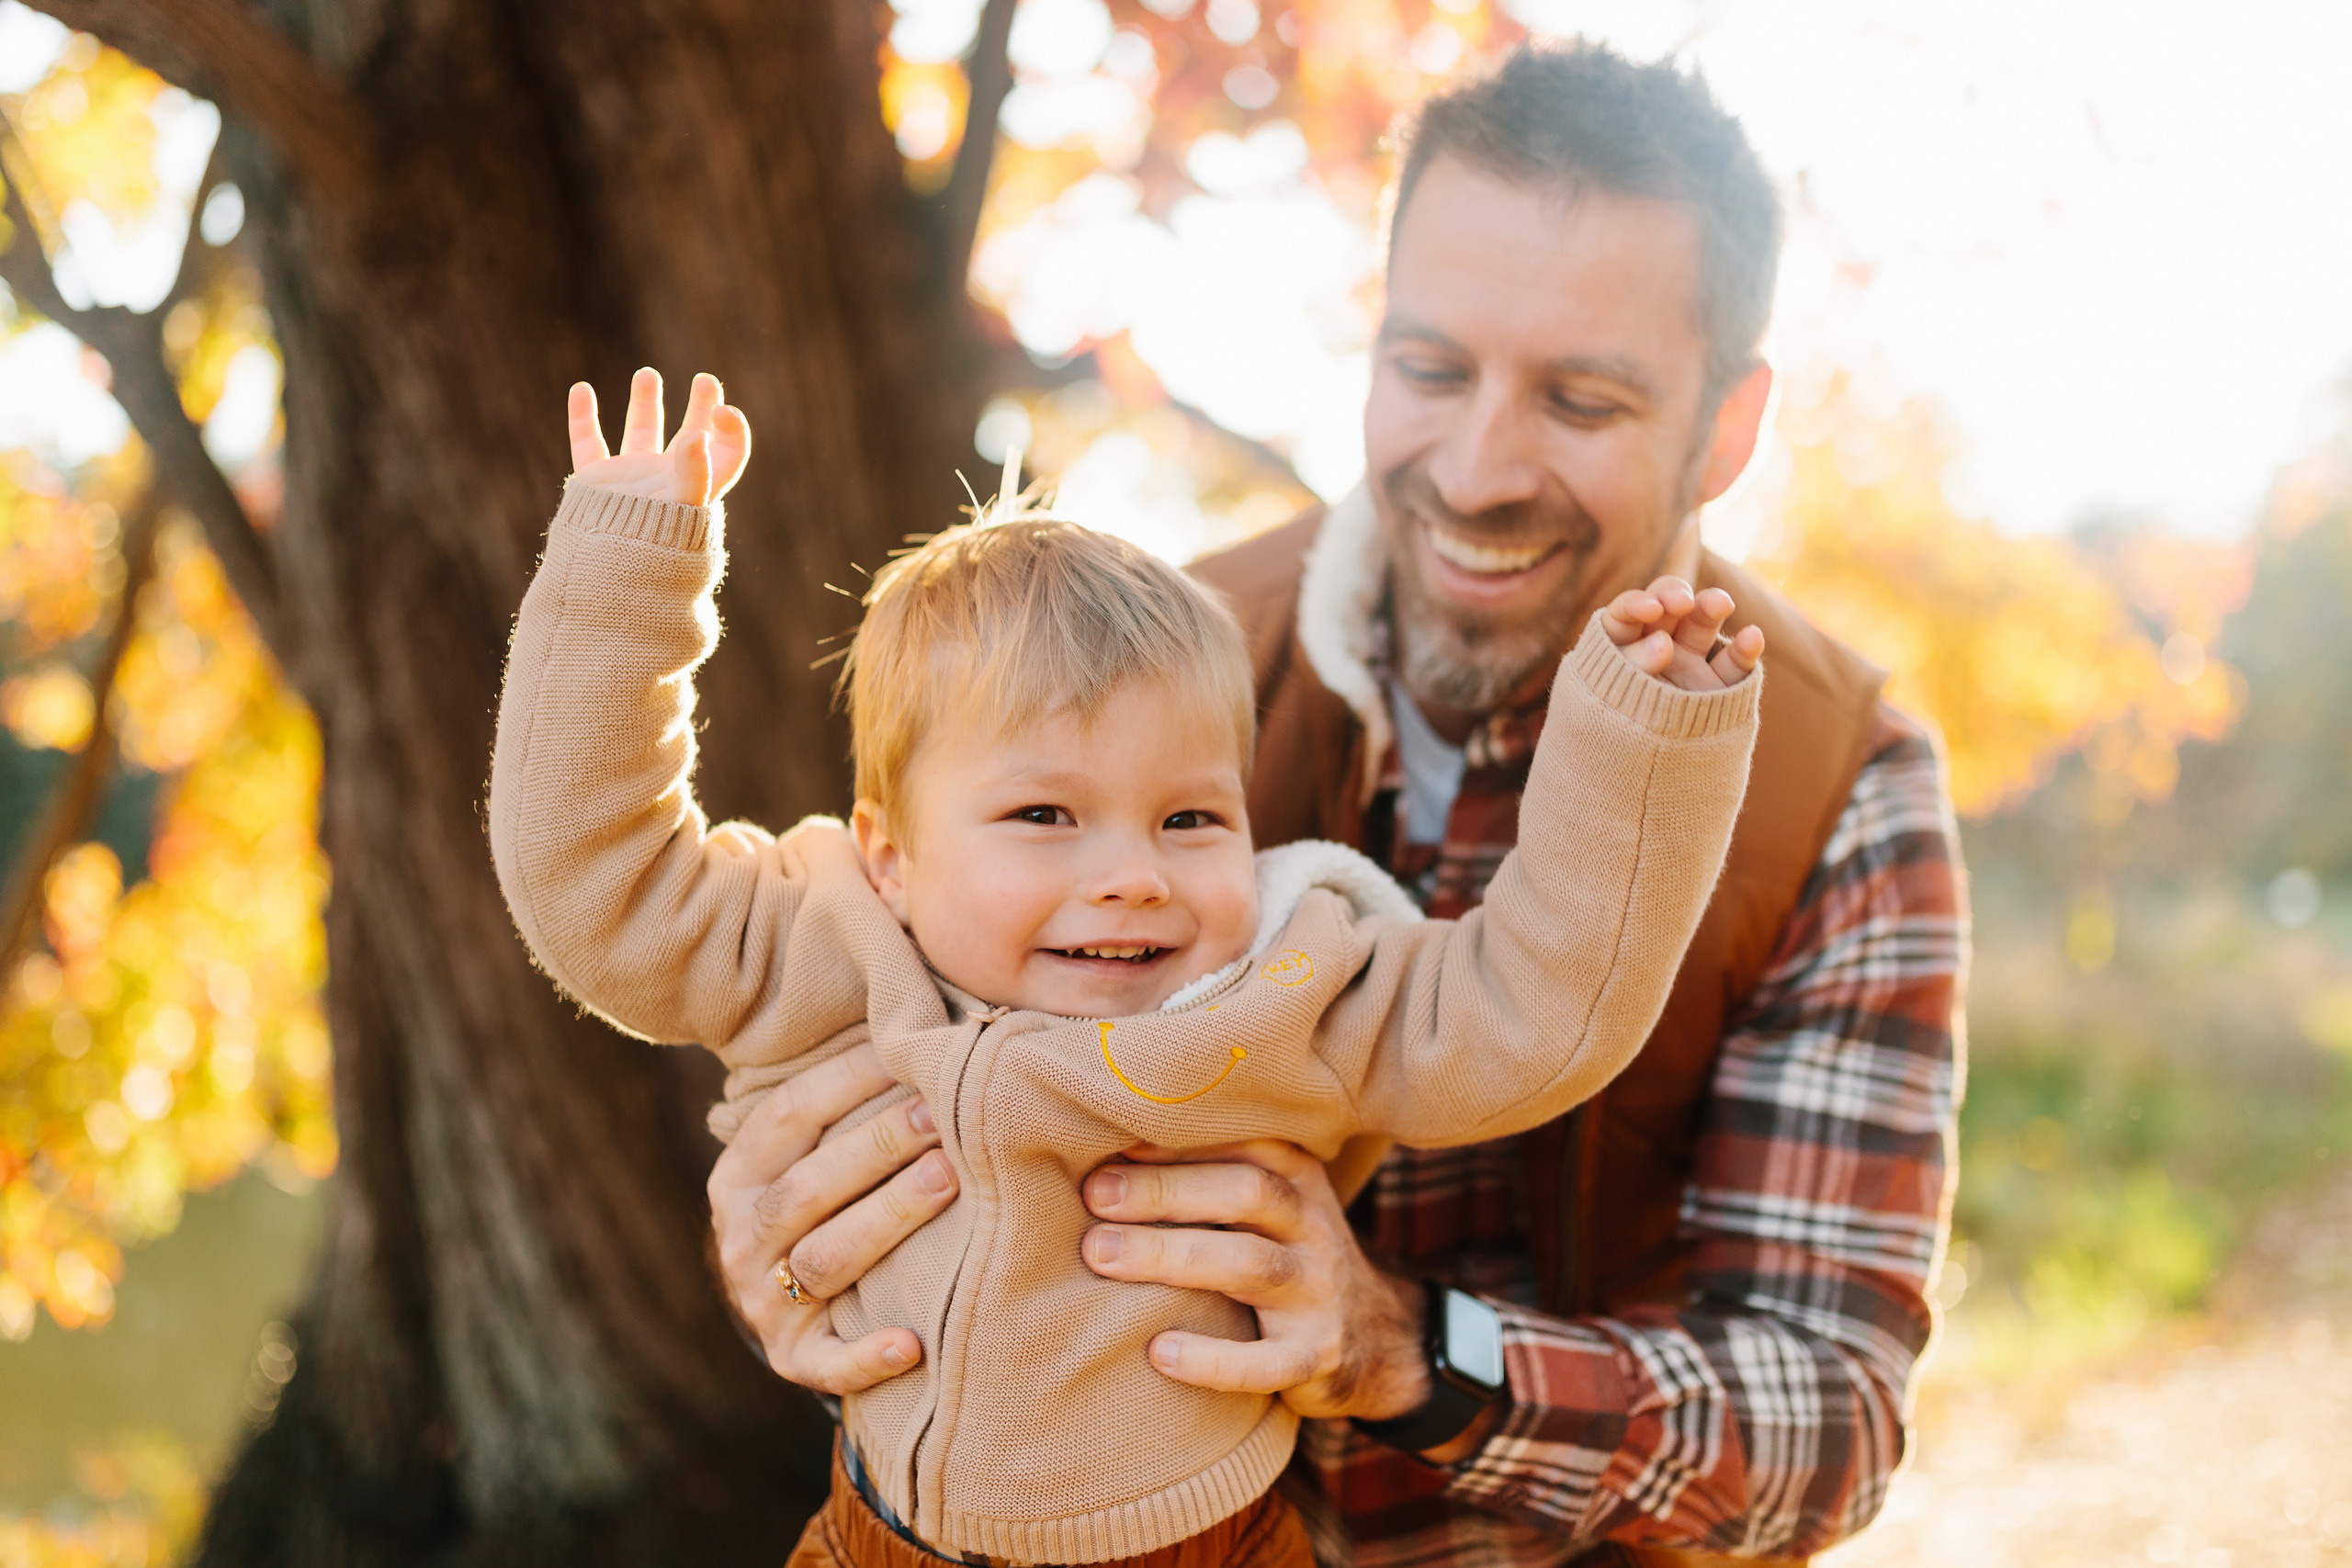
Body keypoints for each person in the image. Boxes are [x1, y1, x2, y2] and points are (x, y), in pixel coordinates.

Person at [707, 39, 1967, 1568]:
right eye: (1431, 370)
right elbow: (855, 996)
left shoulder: (1839, 784)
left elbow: (1824, 1424)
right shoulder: (1154, 657)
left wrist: (1406, 1348)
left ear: (1727, 425)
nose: (1479, 466)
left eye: (1580, 398)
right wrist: (778, 1221)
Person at [488, 362, 1768, 1565]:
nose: (1133, 874)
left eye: (1190, 818)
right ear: (892, 856)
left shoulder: (1282, 987)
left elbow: (1534, 1012)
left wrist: (1644, 739)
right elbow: (591, 881)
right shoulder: (819, 944)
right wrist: (626, 569)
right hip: (874, 1538)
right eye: (1045, 817)